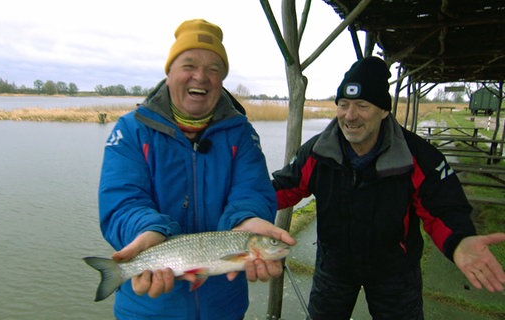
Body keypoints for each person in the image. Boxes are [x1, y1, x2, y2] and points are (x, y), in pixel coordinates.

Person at [271, 56, 505, 319]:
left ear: (384, 110)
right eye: (344, 105)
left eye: (362, 105)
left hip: (395, 273)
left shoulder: (416, 155)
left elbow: (443, 208)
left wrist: (459, 240)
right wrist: (240, 206)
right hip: (334, 267)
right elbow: (282, 188)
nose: (350, 116)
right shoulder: (317, 152)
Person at [98, 18, 295, 320]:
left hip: (224, 308)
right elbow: (122, 201)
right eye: (189, 65)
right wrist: (146, 230)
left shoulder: (241, 132)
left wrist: (249, 219)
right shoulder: (131, 130)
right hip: (148, 307)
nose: (200, 77)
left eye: (214, 69)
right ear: (169, 73)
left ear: (222, 80)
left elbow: (252, 191)